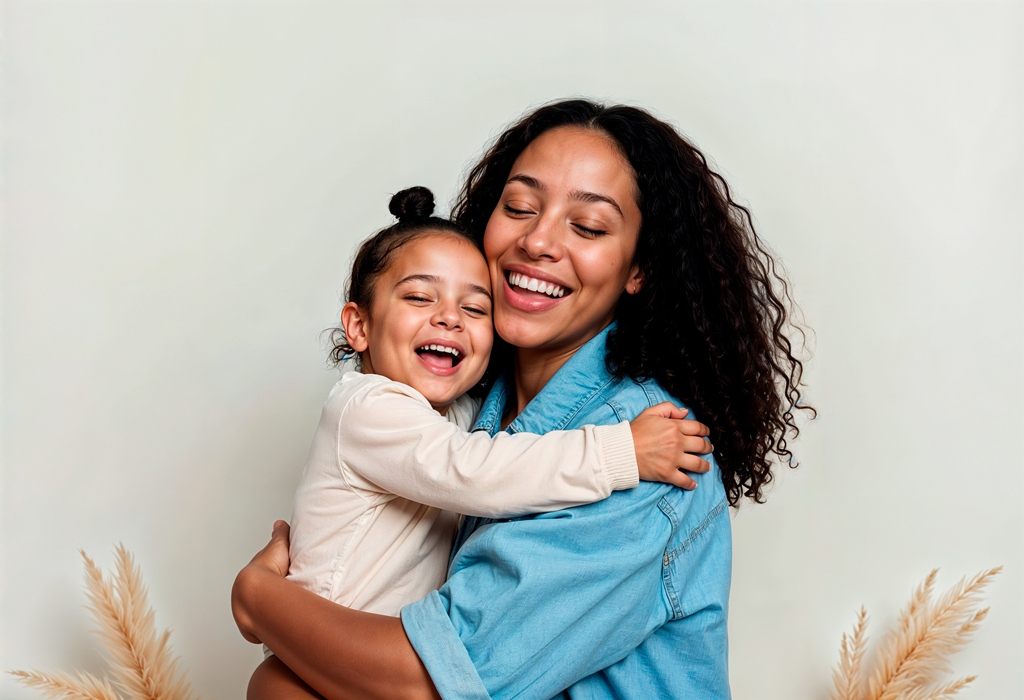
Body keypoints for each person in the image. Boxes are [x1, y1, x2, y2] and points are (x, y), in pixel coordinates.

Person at [233, 99, 811, 700]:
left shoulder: (651, 453)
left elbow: (430, 684)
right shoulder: (461, 406)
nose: (538, 240)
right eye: (519, 208)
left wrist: (259, 599)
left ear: (638, 270)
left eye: (586, 227)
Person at [274, 184, 712, 625]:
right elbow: (475, 471)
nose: (450, 317)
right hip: (326, 646)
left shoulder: (457, 413)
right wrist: (620, 452)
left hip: (368, 658)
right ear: (359, 325)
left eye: (476, 308)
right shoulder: (367, 408)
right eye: (419, 297)